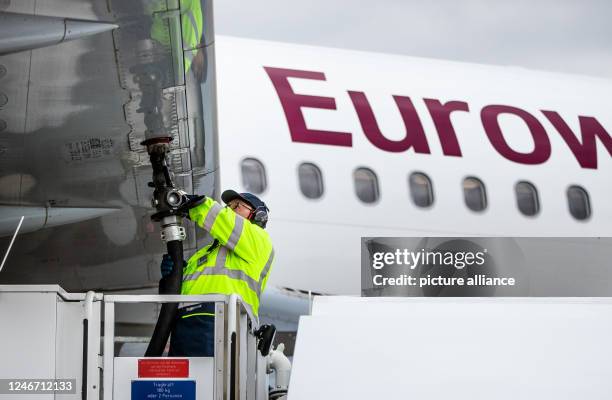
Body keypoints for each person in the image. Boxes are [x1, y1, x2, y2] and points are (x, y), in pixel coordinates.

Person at [159, 190, 274, 356]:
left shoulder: (260, 241)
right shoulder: (204, 253)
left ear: (258, 216)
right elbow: (173, 299)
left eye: (237, 206)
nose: (229, 209)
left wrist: (194, 204)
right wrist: (172, 277)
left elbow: (224, 220)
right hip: (186, 327)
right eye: (228, 205)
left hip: (224, 323)